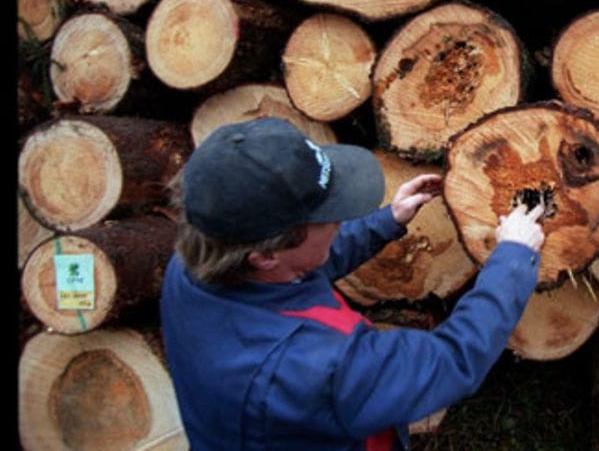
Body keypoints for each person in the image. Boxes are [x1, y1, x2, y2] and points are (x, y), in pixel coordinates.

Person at [159, 116, 545, 450]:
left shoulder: (196, 268)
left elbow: (305, 261)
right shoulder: (315, 369)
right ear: (265, 255)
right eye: (330, 218)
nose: (341, 222)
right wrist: (512, 256)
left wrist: (387, 220)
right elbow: (451, 362)